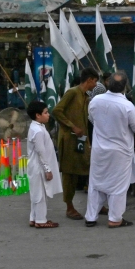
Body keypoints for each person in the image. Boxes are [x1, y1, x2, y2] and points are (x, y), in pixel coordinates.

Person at [85, 71, 135, 228]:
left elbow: (92, 118)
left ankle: (91, 217)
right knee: (118, 186)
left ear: (107, 83)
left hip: (99, 150)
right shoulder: (127, 106)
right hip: (120, 152)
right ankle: (115, 218)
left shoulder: (95, 100)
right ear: (124, 87)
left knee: (96, 183)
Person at [52, 67, 99, 220]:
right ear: (89, 80)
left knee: (91, 169)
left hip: (82, 140)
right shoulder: (72, 92)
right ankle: (69, 207)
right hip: (69, 140)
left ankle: (97, 203)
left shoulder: (86, 97)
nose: (95, 85)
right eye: (95, 81)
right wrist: (72, 126)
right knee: (69, 174)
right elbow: (57, 111)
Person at [26, 100, 61, 229]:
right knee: (40, 194)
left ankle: (33, 217)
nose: (48, 115)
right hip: (38, 167)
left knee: (36, 193)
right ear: (38, 115)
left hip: (36, 165)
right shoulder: (38, 131)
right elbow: (40, 151)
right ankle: (40, 220)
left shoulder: (37, 127)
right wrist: (47, 169)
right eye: (45, 113)